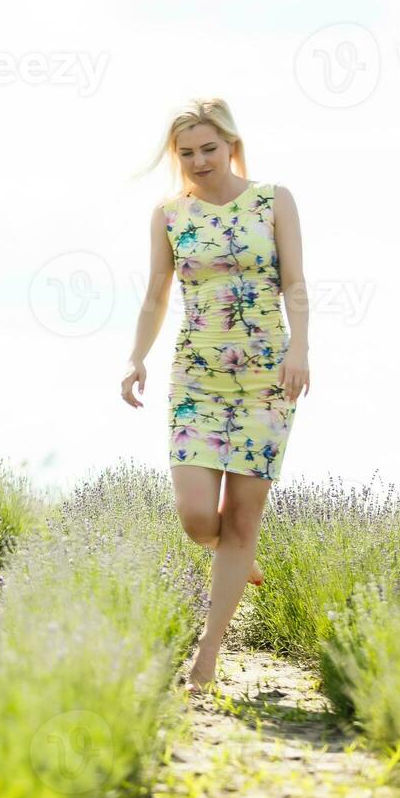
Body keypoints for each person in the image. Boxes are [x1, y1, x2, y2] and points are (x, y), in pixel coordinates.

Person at [120, 97, 311, 695]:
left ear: (230, 143)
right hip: (196, 377)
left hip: (266, 380)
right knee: (198, 514)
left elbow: (295, 283)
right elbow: (155, 295)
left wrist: (300, 350)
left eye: (208, 148)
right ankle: (236, 555)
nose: (198, 161)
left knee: (244, 517)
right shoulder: (170, 215)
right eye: (186, 153)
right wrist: (135, 357)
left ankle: (207, 656)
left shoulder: (273, 199)